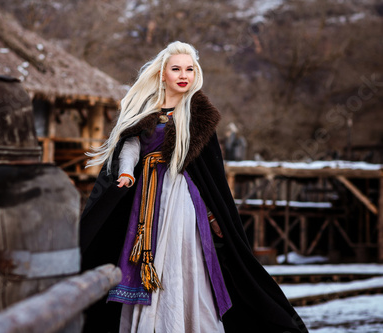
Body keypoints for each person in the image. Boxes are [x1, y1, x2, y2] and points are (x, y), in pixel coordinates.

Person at [80, 41, 308, 333]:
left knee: (182, 256)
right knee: (142, 258)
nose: (183, 74)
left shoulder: (199, 116)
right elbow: (130, 147)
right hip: (145, 201)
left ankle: (186, 323)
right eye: (176, 68)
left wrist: (216, 216)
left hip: (183, 200)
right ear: (162, 73)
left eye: (189, 69)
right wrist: (125, 173)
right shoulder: (143, 110)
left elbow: (210, 178)